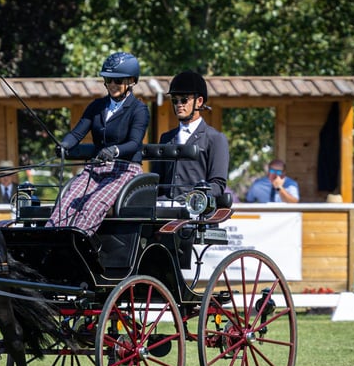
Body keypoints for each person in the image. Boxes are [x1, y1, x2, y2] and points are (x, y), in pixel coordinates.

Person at [46, 51, 149, 235]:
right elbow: (76, 134)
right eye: (108, 79)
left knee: (92, 205)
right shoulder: (97, 106)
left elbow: (134, 143)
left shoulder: (138, 109)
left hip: (124, 169)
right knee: (67, 202)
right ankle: (50, 242)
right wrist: (64, 145)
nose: (111, 85)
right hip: (95, 168)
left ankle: (77, 246)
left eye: (117, 81)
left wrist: (114, 150)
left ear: (131, 81)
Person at [152, 70, 229, 202]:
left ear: (199, 101)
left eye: (184, 99)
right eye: (175, 101)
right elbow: (158, 180)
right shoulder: (166, 138)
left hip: (198, 211)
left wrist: (194, 196)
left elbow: (218, 184)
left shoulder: (216, 138)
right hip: (166, 210)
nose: (179, 105)